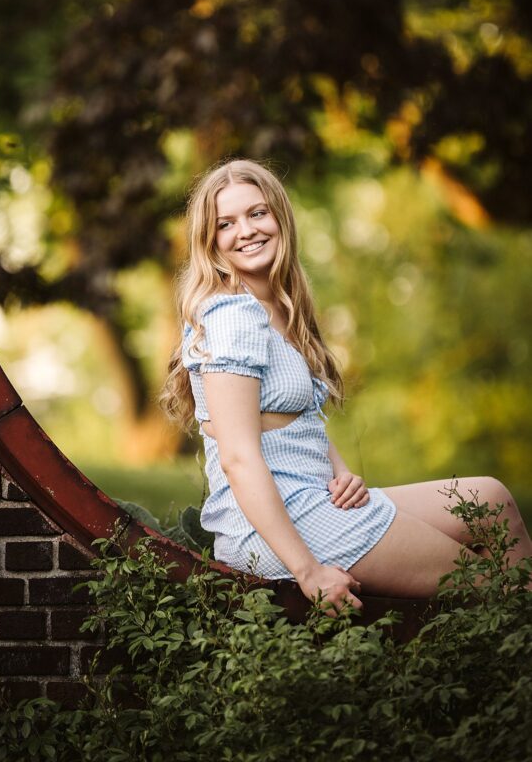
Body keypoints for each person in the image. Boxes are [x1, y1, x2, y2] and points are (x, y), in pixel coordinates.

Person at [160, 158, 532, 613]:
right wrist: (308, 571)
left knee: (489, 500)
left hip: (314, 498)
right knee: (495, 580)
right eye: (226, 223)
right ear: (211, 242)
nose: (247, 231)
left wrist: (339, 471)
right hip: (278, 524)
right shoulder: (233, 317)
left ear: (279, 217)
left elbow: (295, 416)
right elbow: (238, 458)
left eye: (258, 213)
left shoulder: (277, 307)